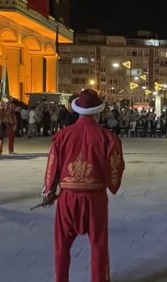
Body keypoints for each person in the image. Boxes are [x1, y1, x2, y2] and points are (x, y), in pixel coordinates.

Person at [41, 89, 125, 282]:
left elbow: (53, 165)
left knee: (61, 245)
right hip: (95, 197)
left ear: (77, 110)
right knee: (98, 244)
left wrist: (48, 191)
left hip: (67, 197)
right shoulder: (108, 137)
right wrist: (109, 183)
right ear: (98, 111)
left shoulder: (62, 135)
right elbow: (115, 167)